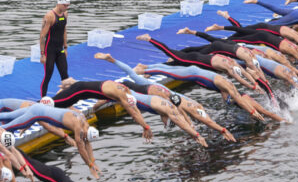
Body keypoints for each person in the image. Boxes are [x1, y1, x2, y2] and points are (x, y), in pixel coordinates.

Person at [95, 52, 237, 142]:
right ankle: (98, 99)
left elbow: (181, 111)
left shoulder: (186, 103)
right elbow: (181, 114)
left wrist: (193, 126)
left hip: (155, 91)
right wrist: (193, 130)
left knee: (131, 78)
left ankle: (113, 61)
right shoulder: (184, 106)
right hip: (155, 93)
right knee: (120, 92)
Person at [137, 63, 287, 122]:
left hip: (198, 74)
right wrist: (253, 110)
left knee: (174, 68)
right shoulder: (236, 94)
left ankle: (147, 69)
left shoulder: (230, 90)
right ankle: (145, 70)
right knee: (173, 73)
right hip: (196, 74)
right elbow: (243, 101)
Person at [0, 102, 102, 178]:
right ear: (87, 132)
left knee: (9, 116)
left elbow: (87, 143)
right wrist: (90, 166)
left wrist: (93, 162)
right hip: (37, 113)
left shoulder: (84, 120)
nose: (84, 139)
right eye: (86, 137)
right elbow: (81, 149)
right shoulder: (79, 128)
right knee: (10, 126)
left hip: (38, 107)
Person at [136, 34, 260, 91]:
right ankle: (150, 39)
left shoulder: (233, 62)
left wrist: (254, 83)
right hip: (195, 59)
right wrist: (251, 86)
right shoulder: (230, 68)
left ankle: (146, 69)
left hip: (198, 58)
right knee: (171, 53)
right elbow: (241, 79)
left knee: (177, 62)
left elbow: (245, 73)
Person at [49, 79, 154, 141]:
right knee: (50, 104)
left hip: (81, 87)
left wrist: (145, 126)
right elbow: (134, 115)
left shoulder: (124, 89)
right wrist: (146, 127)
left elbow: (136, 111)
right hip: (78, 92)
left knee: (59, 102)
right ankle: (34, 105)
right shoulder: (121, 96)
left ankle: (67, 87)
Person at [22, 151, 112, 182]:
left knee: (29, 161)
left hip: (59, 176)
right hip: (55, 177)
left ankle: (11, 147)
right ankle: (10, 146)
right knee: (28, 162)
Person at [40, 0, 72, 97]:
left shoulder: (65, 14)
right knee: (48, 75)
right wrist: (42, 54)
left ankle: (66, 98)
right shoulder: (49, 16)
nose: (66, 7)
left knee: (65, 76)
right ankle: (43, 99)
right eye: (65, 5)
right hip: (50, 51)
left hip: (60, 49)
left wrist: (66, 47)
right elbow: (42, 36)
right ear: (59, 3)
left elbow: (64, 30)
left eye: (68, 5)